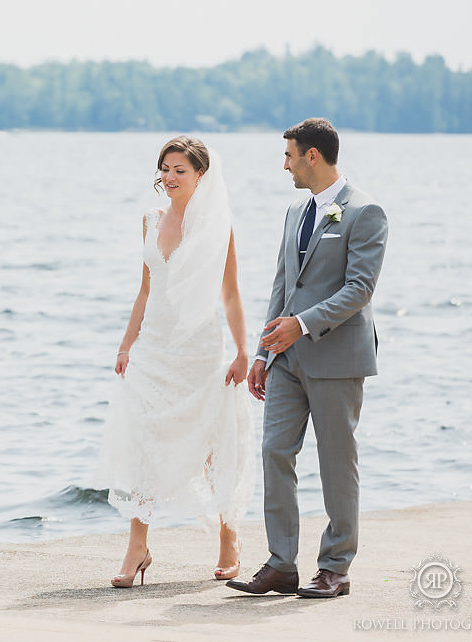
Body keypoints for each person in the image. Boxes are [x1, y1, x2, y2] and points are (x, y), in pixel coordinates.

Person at [227, 118, 388, 598]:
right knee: (275, 452)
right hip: (286, 360)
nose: (285, 165)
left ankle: (335, 567)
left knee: (338, 462)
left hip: (338, 357)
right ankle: (281, 564)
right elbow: (283, 283)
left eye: (289, 155)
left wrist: (304, 323)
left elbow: (360, 288)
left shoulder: (365, 211)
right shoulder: (295, 209)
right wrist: (263, 351)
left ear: (312, 156)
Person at [95, 136, 254, 588]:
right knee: (145, 441)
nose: (169, 178)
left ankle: (229, 539)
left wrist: (244, 351)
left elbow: (230, 293)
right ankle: (137, 546)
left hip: (200, 349)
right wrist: (127, 345)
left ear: (201, 175)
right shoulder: (149, 220)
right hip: (153, 349)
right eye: (164, 168)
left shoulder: (218, 226)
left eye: (179, 170)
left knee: (213, 444)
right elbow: (145, 289)